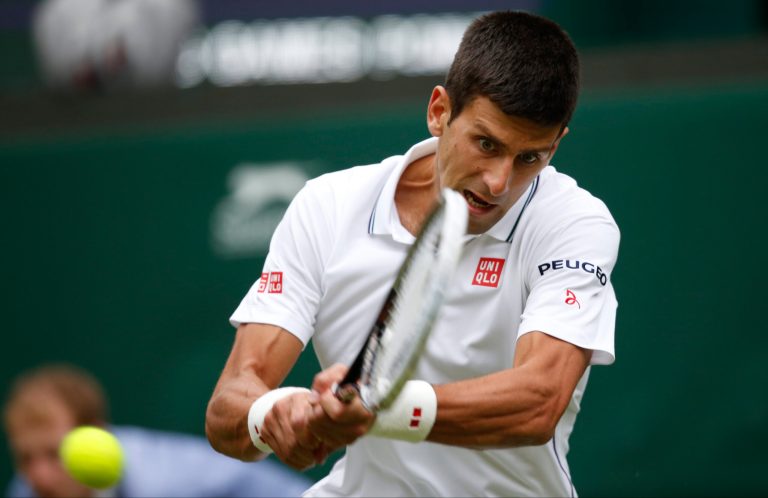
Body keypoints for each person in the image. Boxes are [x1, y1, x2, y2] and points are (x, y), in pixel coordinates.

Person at [206, 10, 620, 497]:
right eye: (486, 143)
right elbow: (228, 405)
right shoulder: (328, 207)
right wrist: (272, 415)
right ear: (439, 112)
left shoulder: (573, 221)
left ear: (557, 143)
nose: (499, 183)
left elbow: (540, 401)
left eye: (531, 157)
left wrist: (379, 407)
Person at [3, 364, 313, 498]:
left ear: (96, 432)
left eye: (54, 454)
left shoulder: (171, 485)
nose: (38, 476)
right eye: (25, 458)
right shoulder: (26, 490)